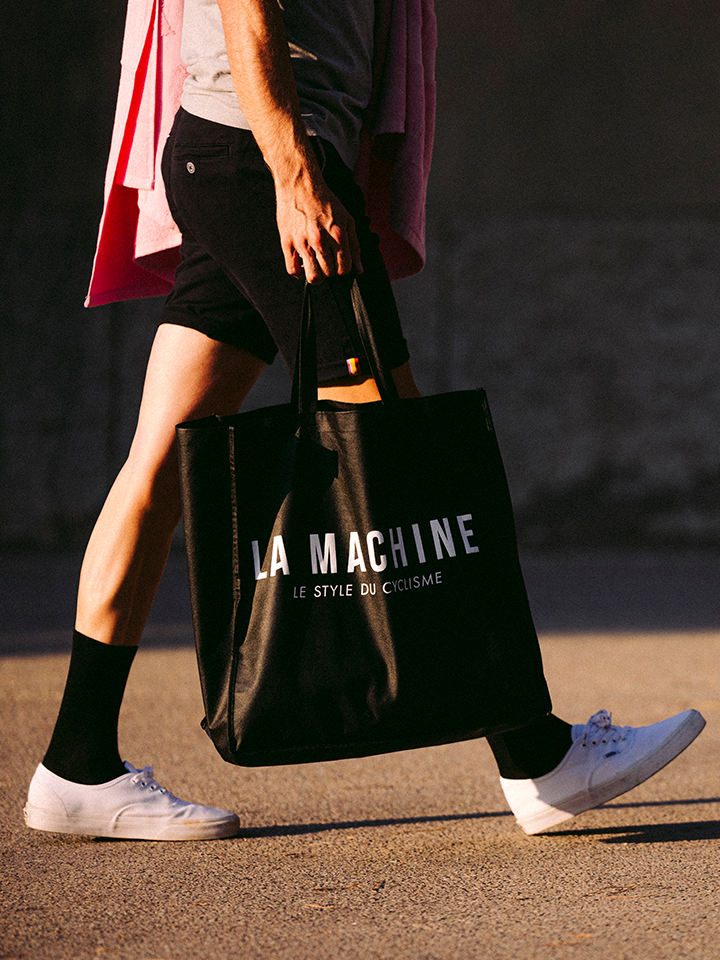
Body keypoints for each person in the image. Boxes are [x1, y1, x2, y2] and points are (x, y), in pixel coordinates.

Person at [23, 0, 704, 841]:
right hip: (267, 158)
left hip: (234, 155)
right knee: (402, 456)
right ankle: (537, 755)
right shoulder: (282, 163)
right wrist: (295, 174)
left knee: (160, 466)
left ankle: (75, 762)